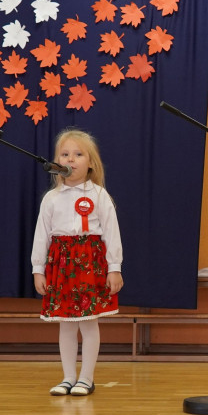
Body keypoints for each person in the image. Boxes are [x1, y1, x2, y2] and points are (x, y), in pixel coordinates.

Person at [32, 129, 123, 396]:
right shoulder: (51, 198)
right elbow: (42, 235)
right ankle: (68, 377)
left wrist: (114, 267)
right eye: (65, 154)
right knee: (66, 323)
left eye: (78, 154)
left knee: (88, 321)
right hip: (61, 265)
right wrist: (38, 269)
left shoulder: (98, 195)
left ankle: (86, 378)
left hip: (89, 264)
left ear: (91, 163)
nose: (70, 160)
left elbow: (111, 233)